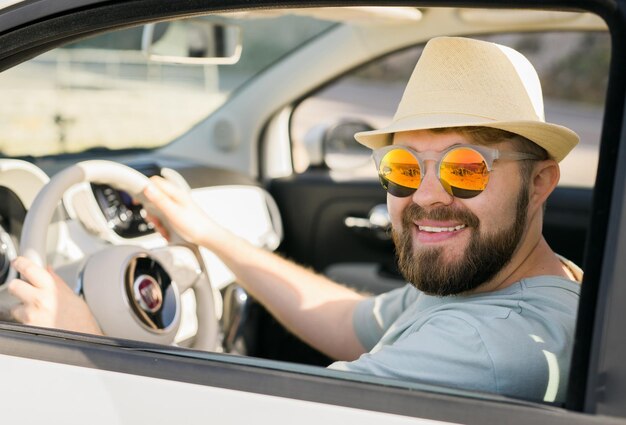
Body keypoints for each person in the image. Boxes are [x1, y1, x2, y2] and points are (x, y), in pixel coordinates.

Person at [7, 37, 582, 402]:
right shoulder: (491, 283)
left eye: (466, 170)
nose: (427, 196)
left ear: (539, 182)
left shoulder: (489, 346)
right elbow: (347, 320)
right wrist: (211, 237)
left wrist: (83, 341)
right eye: (404, 168)